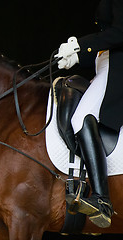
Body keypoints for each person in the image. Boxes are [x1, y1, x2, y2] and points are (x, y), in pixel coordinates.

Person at [55, 0, 123, 228]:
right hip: (105, 63)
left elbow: (120, 32)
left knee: (81, 117)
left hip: (118, 67)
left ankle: (102, 200)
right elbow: (107, 41)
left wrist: (81, 46)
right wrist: (78, 57)